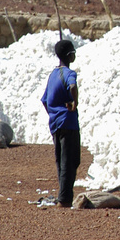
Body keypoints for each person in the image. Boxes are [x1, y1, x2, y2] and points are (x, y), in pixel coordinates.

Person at [41, 40, 81, 208]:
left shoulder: (52, 75)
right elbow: (72, 86)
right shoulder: (69, 73)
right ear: (69, 55)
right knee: (71, 160)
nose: (75, 55)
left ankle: (63, 195)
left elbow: (44, 100)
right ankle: (64, 198)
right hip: (68, 123)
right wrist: (74, 103)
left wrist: (53, 114)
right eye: (73, 53)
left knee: (61, 160)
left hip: (56, 124)